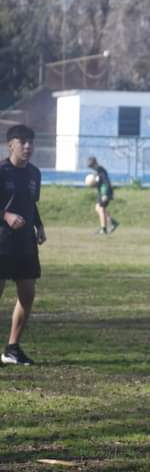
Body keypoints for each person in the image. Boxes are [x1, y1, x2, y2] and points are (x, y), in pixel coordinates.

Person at [0, 125, 47, 365]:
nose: (28, 146)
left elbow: (31, 203)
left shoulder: (34, 174)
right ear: (10, 145)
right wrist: (6, 216)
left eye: (31, 142)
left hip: (25, 243)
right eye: (22, 142)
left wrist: (39, 225)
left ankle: (12, 349)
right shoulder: (1, 170)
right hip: (2, 243)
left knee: (27, 295)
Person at [87, 156, 118, 235]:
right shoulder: (97, 171)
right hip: (101, 193)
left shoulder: (101, 170)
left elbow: (106, 182)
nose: (91, 167)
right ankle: (113, 222)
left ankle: (103, 229)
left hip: (105, 193)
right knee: (98, 208)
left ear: (95, 163)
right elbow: (99, 183)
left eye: (91, 165)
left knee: (101, 209)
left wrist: (105, 195)